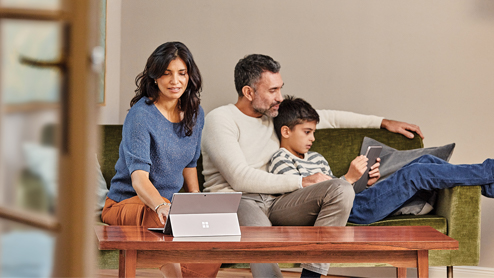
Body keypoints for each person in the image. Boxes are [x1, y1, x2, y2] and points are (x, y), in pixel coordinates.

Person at [200, 54, 424, 278]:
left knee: (341, 189)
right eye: (272, 91)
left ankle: (312, 275)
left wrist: (383, 122)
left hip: (277, 200)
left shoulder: (273, 115)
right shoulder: (220, 119)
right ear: (249, 92)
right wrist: (302, 181)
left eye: (280, 88)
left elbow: (330, 118)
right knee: (262, 235)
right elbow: (239, 178)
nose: (279, 97)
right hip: (237, 200)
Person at [269, 95, 494, 247]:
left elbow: (337, 188)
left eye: (314, 132)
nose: (313, 138)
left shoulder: (316, 157)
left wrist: (363, 181)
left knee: (425, 160)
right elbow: (301, 202)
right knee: (416, 174)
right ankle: (490, 171)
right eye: (307, 132)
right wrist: (348, 178)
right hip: (347, 214)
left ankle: (489, 184)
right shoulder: (280, 159)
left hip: (356, 201)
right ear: (286, 131)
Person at [101, 42, 220, 278]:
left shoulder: (196, 113)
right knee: (160, 218)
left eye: (181, 73)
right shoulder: (141, 116)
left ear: (190, 76)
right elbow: (138, 179)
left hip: (168, 206)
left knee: (212, 243)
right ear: (154, 77)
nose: (175, 80)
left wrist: (197, 201)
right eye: (166, 73)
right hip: (125, 204)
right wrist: (161, 205)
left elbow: (190, 163)